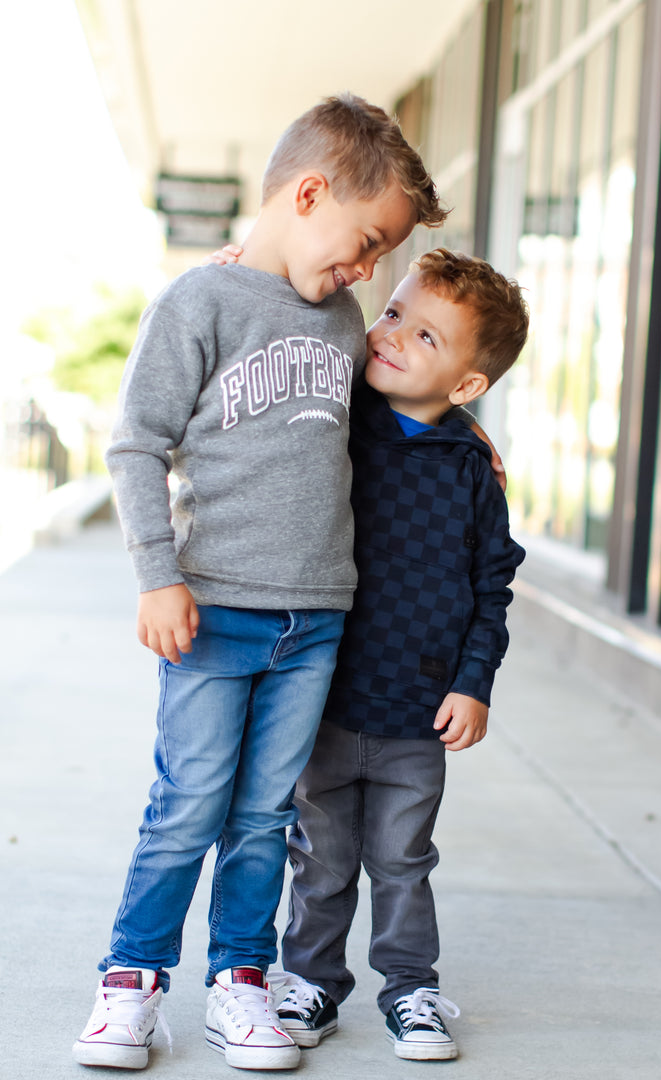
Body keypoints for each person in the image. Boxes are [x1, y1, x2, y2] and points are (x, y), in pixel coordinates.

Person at [71, 93, 449, 1074]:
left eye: (380, 259)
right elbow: (135, 444)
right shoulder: (197, 303)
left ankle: (241, 981)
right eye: (367, 243)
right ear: (311, 192)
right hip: (213, 609)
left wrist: (466, 442)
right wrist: (158, 577)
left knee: (264, 813)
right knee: (191, 800)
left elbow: (381, 429)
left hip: (314, 621)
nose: (367, 271)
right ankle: (132, 981)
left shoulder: (343, 320)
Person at [269, 248, 528, 1061]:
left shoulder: (471, 470)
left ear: (466, 387)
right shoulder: (338, 421)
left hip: (419, 713)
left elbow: (494, 585)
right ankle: (309, 981)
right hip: (326, 698)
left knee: (404, 860)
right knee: (320, 858)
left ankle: (412, 988)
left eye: (425, 336)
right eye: (393, 314)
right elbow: (279, 349)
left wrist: (474, 682)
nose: (390, 337)